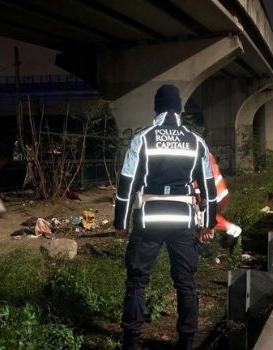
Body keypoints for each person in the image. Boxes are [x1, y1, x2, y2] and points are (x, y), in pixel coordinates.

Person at [114, 84, 217, 350]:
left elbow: (127, 184)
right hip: (182, 220)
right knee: (185, 283)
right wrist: (209, 223)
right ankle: (186, 340)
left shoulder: (143, 138)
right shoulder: (196, 142)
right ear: (179, 108)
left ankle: (132, 340)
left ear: (156, 108)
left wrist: (120, 222)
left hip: (149, 219)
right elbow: (208, 188)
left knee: (137, 282)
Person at [194, 153, 242, 238]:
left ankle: (229, 227)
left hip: (212, 192)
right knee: (203, 216)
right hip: (218, 192)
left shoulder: (196, 151)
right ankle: (227, 227)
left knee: (201, 215)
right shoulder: (202, 150)